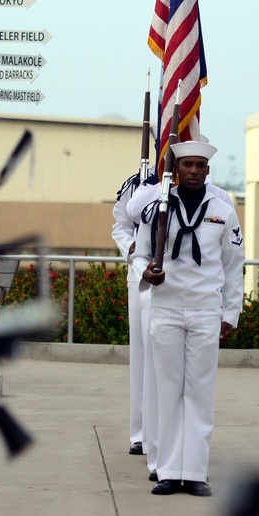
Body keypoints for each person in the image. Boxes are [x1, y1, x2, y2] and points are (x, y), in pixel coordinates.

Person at [133, 138, 245, 497]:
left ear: (208, 171)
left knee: (199, 393)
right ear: (176, 171)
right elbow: (140, 253)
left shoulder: (223, 209)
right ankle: (167, 470)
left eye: (199, 165)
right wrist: (145, 273)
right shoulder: (157, 208)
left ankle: (194, 472)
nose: (193, 170)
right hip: (166, 308)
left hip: (205, 310)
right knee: (168, 392)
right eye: (187, 165)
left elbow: (233, 265)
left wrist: (231, 312)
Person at [111, 164, 157, 457]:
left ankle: (165, 433)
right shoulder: (140, 181)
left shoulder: (203, 187)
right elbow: (121, 225)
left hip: (182, 279)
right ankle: (140, 433)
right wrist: (133, 250)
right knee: (141, 354)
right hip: (141, 273)